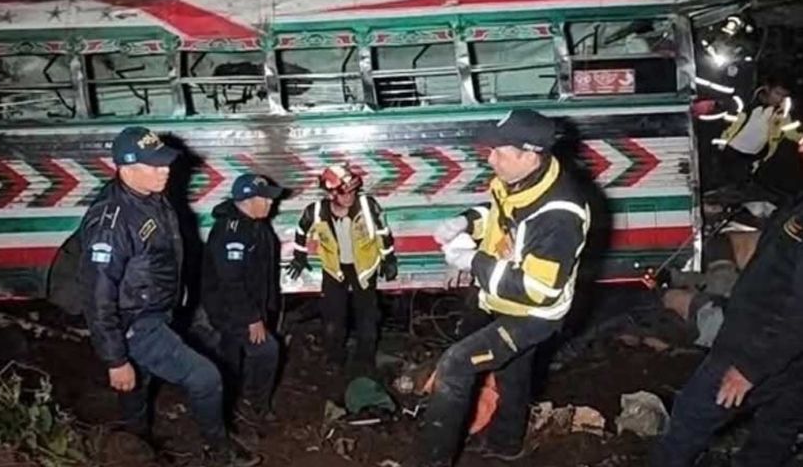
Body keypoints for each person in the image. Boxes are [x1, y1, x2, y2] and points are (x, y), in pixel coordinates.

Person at [78, 126, 260, 466]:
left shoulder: (148, 195)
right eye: (155, 165)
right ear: (125, 168)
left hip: (157, 310)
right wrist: (115, 359)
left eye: (165, 163)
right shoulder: (111, 223)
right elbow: (98, 296)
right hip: (136, 322)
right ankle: (219, 450)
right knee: (205, 377)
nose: (165, 171)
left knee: (138, 383)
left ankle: (135, 443)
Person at [418, 109, 590, 466]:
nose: (490, 158)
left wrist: (474, 262)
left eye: (499, 151)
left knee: (455, 366)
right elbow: (501, 214)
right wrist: (466, 222)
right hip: (505, 303)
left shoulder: (559, 215)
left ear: (530, 155)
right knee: (514, 374)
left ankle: (432, 460)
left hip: (532, 315)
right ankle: (506, 443)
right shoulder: (519, 181)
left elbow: (538, 289)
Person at [651, 196, 803, 467]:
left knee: (692, 416)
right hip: (781, 349)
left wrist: (749, 368)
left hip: (757, 342)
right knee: (776, 431)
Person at [286, 163, 398, 375]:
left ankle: (365, 360)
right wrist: (299, 256)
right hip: (334, 269)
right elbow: (301, 230)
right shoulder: (316, 211)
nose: (350, 197)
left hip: (363, 268)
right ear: (331, 194)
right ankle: (334, 358)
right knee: (333, 318)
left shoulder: (367, 206)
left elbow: (383, 232)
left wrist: (389, 258)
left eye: (353, 191)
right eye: (344, 193)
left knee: (367, 318)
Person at [202, 174, 283, 424]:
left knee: (231, 354)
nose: (271, 203)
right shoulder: (232, 231)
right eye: (265, 198)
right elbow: (231, 281)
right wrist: (252, 318)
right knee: (267, 351)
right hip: (231, 310)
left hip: (245, 307)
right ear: (247, 200)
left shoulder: (256, 224)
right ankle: (254, 405)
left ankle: (232, 403)